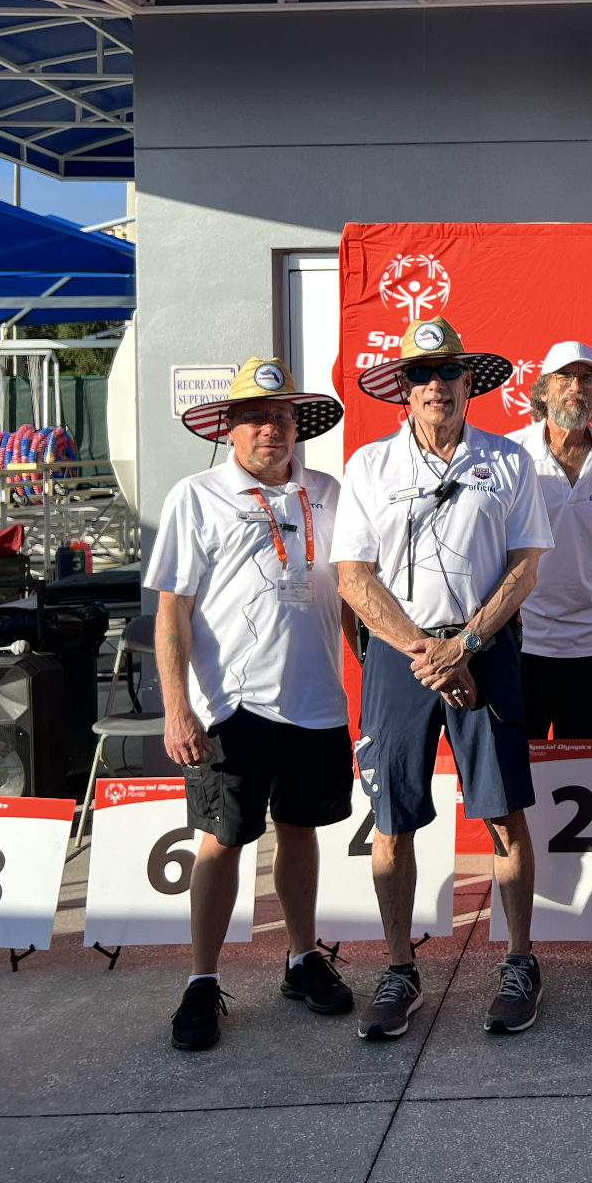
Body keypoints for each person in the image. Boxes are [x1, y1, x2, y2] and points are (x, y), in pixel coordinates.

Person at [334, 317, 554, 1042]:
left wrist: (465, 644)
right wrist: (426, 651)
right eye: (422, 374)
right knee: (392, 819)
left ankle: (519, 961)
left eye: (448, 372)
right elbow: (353, 577)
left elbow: (525, 566)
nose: (437, 385)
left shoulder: (509, 460)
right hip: (401, 656)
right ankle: (400, 970)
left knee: (502, 810)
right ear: (405, 387)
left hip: (483, 648)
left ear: (469, 382)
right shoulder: (370, 465)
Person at [149, 357, 356, 1051]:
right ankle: (201, 980)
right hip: (231, 707)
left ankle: (302, 958)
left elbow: (351, 592)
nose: (272, 429)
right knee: (223, 841)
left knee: (301, 831)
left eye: (283, 417)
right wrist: (177, 707)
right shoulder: (196, 495)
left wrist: (375, 672)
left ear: (299, 427)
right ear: (230, 429)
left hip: (317, 702)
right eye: (256, 417)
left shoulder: (328, 492)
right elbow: (172, 612)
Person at [512, 342, 592, 739]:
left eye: (587, 378)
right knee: (519, 766)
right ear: (543, 389)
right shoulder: (511, 454)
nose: (576, 386)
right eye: (565, 376)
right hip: (524, 640)